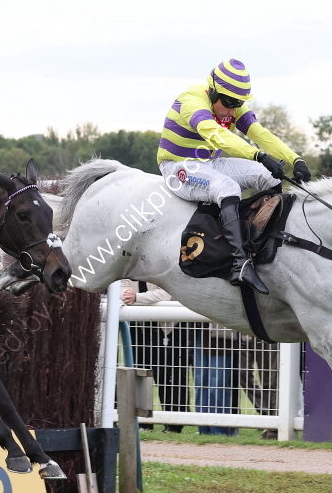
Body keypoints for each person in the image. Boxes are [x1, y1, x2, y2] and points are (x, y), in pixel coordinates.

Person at [158, 59, 311, 294]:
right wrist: (258, 155)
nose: (232, 109)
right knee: (227, 187)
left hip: (210, 162)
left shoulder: (231, 105)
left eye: (237, 103)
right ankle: (240, 263)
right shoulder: (192, 100)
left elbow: (260, 133)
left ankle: (269, 245)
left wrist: (295, 159)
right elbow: (217, 135)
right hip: (178, 167)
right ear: (212, 91)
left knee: (268, 178)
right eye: (228, 102)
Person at [121, 282, 192, 433]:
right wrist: (129, 296)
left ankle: (173, 425)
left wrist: (136, 297)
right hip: (138, 326)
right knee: (139, 374)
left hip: (165, 327)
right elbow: (123, 290)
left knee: (167, 377)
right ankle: (144, 423)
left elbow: (165, 294)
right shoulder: (129, 267)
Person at [193, 322, 239, 436]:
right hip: (198, 331)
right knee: (200, 383)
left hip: (222, 333)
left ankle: (220, 430)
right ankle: (203, 430)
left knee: (218, 383)